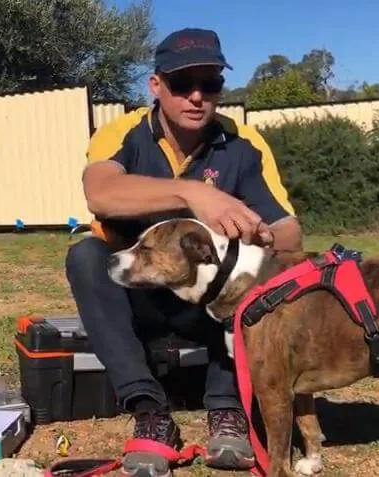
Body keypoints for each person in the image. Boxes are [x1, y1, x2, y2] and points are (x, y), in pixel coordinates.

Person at [64, 27, 303, 475]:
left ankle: (227, 406)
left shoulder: (244, 145)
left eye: (209, 84)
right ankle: (148, 411)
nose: (196, 96)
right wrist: (195, 195)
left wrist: (257, 239)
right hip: (142, 304)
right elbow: (100, 193)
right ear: (156, 86)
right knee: (86, 256)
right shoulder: (123, 133)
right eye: (181, 84)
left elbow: (290, 234)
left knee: (261, 274)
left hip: (213, 313)